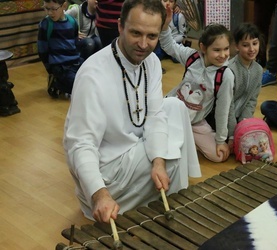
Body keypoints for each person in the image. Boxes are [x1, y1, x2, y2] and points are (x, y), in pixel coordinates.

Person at [63, 0, 201, 223]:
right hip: (106, 173)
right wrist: (99, 195)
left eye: (152, 36)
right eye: (136, 33)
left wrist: (157, 162)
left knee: (175, 108)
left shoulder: (152, 62)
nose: (144, 44)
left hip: (132, 147)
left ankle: (169, 195)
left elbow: (155, 115)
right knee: (174, 156)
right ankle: (166, 200)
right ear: (120, 27)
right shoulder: (93, 75)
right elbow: (80, 144)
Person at [160, 5, 235, 163]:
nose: (223, 55)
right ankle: (179, 139)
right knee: (162, 149)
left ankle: (185, 139)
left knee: (219, 156)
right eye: (216, 50)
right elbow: (169, 46)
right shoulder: (192, 57)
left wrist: (221, 141)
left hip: (195, 122)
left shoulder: (225, 75)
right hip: (171, 115)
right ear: (203, 47)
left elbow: (223, 110)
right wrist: (165, 25)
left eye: (226, 49)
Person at [227, 22, 263, 151]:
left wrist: (243, 124)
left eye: (255, 43)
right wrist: (232, 134)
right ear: (236, 46)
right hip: (222, 118)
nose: (252, 49)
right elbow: (227, 105)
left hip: (240, 118)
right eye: (245, 45)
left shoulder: (258, 70)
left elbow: (252, 100)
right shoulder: (230, 70)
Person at [37, 0, 83, 98]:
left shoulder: (72, 21)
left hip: (75, 62)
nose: (49, 12)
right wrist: (50, 69)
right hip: (60, 66)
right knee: (79, 87)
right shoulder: (45, 24)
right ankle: (56, 82)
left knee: (91, 79)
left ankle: (61, 83)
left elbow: (75, 43)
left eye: (53, 9)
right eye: (46, 8)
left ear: (64, 6)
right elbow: (42, 50)